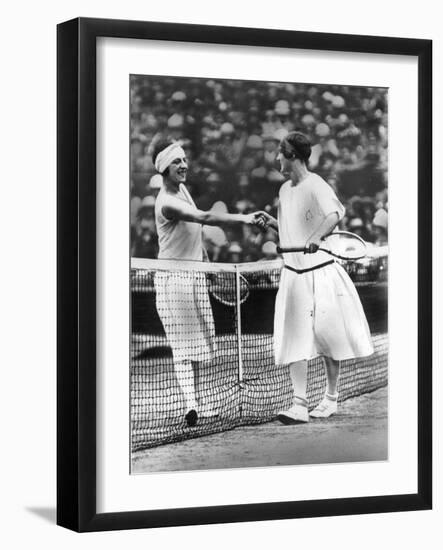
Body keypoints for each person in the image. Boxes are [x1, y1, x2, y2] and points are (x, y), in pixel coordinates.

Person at [151, 138, 266, 427]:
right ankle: (191, 404)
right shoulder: (166, 202)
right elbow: (203, 216)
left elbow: (196, 229)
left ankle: (197, 405)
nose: (184, 165)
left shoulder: (183, 189)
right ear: (164, 168)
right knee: (182, 346)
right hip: (172, 281)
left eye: (185, 160)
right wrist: (246, 218)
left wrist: (206, 264)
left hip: (194, 275)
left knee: (198, 346)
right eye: (177, 161)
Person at [260, 131, 373, 423]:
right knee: (294, 338)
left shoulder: (316, 184)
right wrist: (273, 224)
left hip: (321, 273)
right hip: (294, 276)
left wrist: (317, 235)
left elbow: (335, 213)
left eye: (280, 153)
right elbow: (290, 230)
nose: (276, 159)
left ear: (293, 156)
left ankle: (331, 398)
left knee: (328, 338)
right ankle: (299, 404)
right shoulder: (285, 190)